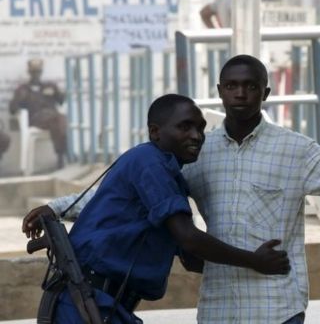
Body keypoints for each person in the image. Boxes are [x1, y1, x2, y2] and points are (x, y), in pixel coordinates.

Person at [46, 55, 320, 323]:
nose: (240, 93)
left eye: (249, 85)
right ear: (221, 91)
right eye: (231, 85)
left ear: (266, 92)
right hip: (220, 308)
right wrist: (56, 209)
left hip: (276, 306)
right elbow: (129, 198)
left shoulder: (295, 151)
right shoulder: (196, 154)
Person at [22, 94, 290, 324]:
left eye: (200, 128)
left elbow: (191, 257)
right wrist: (253, 260)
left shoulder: (170, 178)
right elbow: (189, 239)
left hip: (103, 304)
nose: (196, 136)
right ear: (155, 132)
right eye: (184, 127)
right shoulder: (150, 162)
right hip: (85, 302)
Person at [9, 59, 67, 168]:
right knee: (60, 120)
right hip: (36, 119)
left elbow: (62, 100)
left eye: (38, 71)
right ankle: (62, 156)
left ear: (41, 72)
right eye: (33, 72)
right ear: (29, 72)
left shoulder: (49, 86)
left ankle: (61, 156)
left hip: (54, 118)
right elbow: (12, 109)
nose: (36, 74)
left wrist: (60, 92)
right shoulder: (23, 89)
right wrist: (19, 99)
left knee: (61, 119)